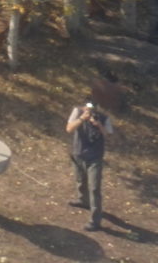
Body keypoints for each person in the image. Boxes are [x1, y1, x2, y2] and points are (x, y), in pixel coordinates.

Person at [66, 94, 110, 230]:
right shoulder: (77, 112)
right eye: (87, 107)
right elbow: (69, 129)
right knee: (80, 179)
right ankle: (82, 200)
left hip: (95, 157)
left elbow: (108, 135)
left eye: (92, 108)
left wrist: (99, 125)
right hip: (79, 154)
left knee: (94, 187)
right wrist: (81, 119)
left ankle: (95, 220)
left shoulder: (104, 118)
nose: (89, 110)